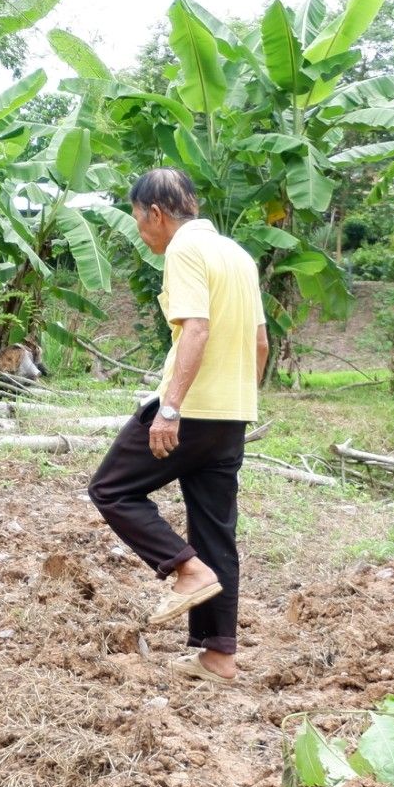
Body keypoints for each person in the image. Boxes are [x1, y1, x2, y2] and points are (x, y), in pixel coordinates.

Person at [88, 169, 264, 683]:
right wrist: (238, 402)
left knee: (112, 489)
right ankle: (219, 657)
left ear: (155, 214)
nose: (143, 234)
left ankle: (186, 570)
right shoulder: (237, 255)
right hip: (232, 412)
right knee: (215, 528)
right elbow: (260, 344)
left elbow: (197, 329)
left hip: (190, 410)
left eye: (139, 223)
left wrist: (170, 408)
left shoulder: (186, 251)